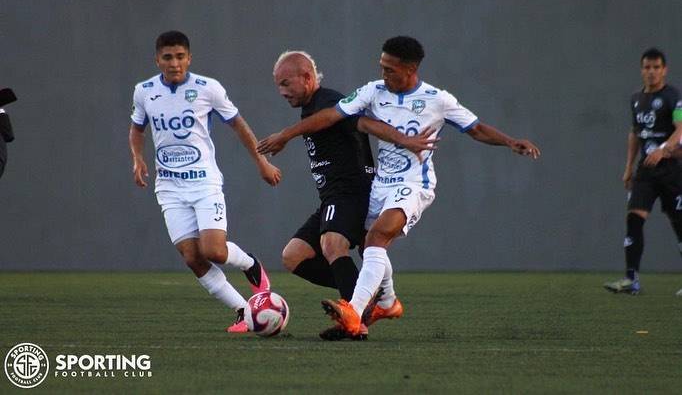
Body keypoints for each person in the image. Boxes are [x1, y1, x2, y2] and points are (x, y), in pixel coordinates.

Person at [258, 36, 540, 335]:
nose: (384, 74)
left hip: (413, 184)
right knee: (367, 246)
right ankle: (387, 302)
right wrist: (287, 135)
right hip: (381, 185)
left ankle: (354, 312)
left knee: (373, 239)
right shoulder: (373, 92)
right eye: (382, 67)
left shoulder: (437, 99)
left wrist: (510, 142)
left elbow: (476, 128)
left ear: (410, 69)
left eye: (390, 69)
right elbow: (334, 115)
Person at [129, 30, 282, 333]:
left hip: (204, 183)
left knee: (213, 251)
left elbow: (238, 125)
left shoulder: (207, 88)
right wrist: (138, 158)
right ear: (157, 60)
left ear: (189, 58)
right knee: (192, 257)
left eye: (180, 56)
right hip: (170, 188)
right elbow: (137, 129)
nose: (174, 63)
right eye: (168, 57)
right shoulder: (144, 91)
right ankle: (243, 311)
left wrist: (262, 162)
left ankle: (250, 264)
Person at [605, 48, 682, 296]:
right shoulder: (636, 99)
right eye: (647, 68)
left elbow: (681, 128)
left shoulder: (673, 96)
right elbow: (634, 133)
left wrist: (664, 149)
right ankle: (631, 279)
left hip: (671, 168)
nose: (651, 72)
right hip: (646, 170)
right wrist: (629, 167)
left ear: (664, 69)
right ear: (642, 70)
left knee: (679, 222)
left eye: (656, 67)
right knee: (634, 218)